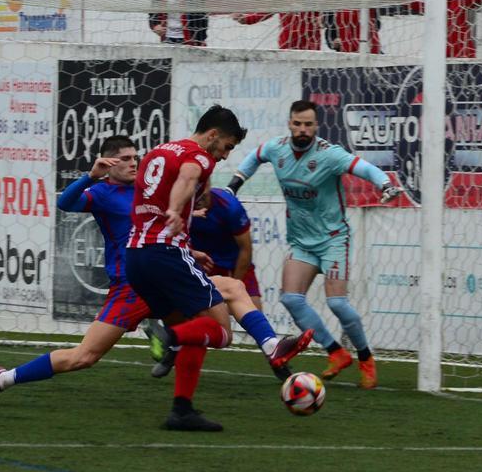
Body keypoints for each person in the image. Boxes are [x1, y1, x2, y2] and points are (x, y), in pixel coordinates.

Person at [126, 105, 312, 431]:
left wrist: (189, 238)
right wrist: (175, 208)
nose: (224, 156)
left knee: (228, 295)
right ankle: (167, 336)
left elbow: (173, 183)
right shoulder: (199, 156)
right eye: (226, 147)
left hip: (137, 256)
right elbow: (188, 176)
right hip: (165, 252)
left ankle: (182, 410)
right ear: (213, 135)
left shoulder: (159, 151)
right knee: (221, 331)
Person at [226, 100, 404, 389]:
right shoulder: (277, 148)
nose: (302, 129)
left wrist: (385, 185)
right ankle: (336, 353)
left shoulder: (329, 155)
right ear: (289, 123)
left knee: (337, 303)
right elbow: (256, 157)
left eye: (308, 124)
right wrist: (234, 184)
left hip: (333, 239)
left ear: (316, 126)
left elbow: (364, 167)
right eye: (297, 123)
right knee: (291, 298)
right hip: (301, 242)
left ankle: (366, 358)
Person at [0, 137, 153, 403]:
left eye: (135, 157)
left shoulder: (146, 188)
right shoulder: (101, 193)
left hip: (159, 275)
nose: (133, 163)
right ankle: (4, 378)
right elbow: (66, 203)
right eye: (125, 159)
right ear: (108, 163)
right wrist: (90, 177)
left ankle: (168, 342)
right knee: (84, 358)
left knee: (217, 297)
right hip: (130, 285)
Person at [147, 182, 267, 379]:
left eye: (201, 191)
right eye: (193, 192)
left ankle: (278, 363)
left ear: (208, 184)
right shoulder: (179, 207)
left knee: (255, 317)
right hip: (201, 264)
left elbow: (246, 249)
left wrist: (235, 283)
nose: (198, 196)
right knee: (194, 319)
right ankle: (173, 349)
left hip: (234, 264)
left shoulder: (229, 206)